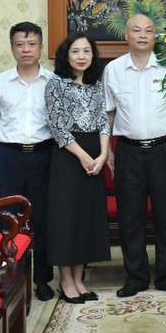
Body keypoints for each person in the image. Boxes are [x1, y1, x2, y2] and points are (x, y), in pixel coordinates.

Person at [104, 13, 166, 297]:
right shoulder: (113, 70)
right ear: (126, 35)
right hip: (128, 152)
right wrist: (107, 152)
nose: (143, 35)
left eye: (149, 30)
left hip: (165, 149)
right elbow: (109, 114)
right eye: (136, 30)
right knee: (130, 217)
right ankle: (135, 278)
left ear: (154, 36)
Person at [0, 22, 55, 302]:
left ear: (40, 47)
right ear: (12, 48)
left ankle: (43, 280)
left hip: (44, 155)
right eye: (20, 45)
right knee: (8, 221)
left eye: (32, 44)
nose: (26, 50)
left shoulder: (53, 82)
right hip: (8, 156)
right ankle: (11, 278)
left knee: (44, 220)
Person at [45, 32, 111, 303]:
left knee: (86, 217)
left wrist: (103, 155)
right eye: (75, 51)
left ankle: (79, 280)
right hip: (68, 156)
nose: (81, 56)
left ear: (92, 55)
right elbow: (57, 126)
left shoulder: (97, 85)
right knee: (66, 219)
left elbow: (104, 121)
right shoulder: (55, 84)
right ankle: (65, 281)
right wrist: (84, 157)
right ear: (66, 55)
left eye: (86, 51)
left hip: (95, 155)